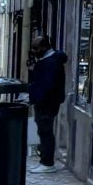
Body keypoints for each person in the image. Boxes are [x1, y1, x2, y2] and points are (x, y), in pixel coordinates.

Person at [26, 32, 65, 169]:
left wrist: (35, 97)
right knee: (43, 131)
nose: (34, 51)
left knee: (45, 131)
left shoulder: (50, 63)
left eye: (36, 48)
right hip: (46, 102)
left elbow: (45, 85)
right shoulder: (47, 61)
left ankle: (47, 162)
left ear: (44, 48)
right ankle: (45, 161)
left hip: (47, 103)